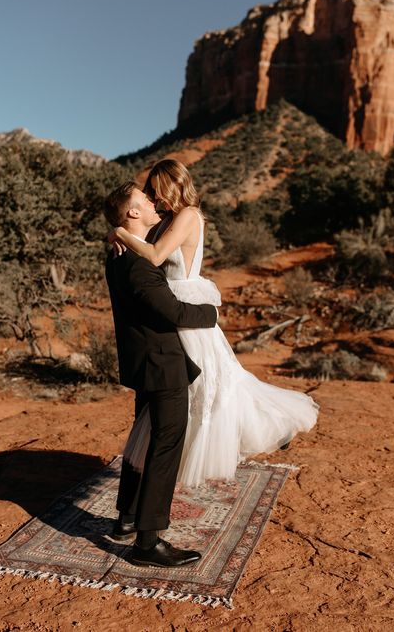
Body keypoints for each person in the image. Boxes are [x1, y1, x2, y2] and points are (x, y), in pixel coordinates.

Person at [109, 159, 320, 488]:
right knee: (200, 385)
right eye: (149, 192)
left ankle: (273, 426)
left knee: (213, 384)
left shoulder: (189, 215)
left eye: (156, 190)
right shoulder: (167, 219)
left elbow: (154, 256)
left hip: (183, 305)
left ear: (174, 185)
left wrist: (119, 231)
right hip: (168, 304)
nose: (153, 197)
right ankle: (153, 477)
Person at [103, 180, 218, 567]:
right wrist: (214, 312)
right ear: (133, 213)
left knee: (142, 439)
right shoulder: (140, 265)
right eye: (145, 200)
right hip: (163, 364)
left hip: (144, 362)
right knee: (164, 446)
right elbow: (175, 313)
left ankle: (127, 518)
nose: (154, 203)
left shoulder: (118, 255)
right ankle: (148, 543)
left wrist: (115, 231)